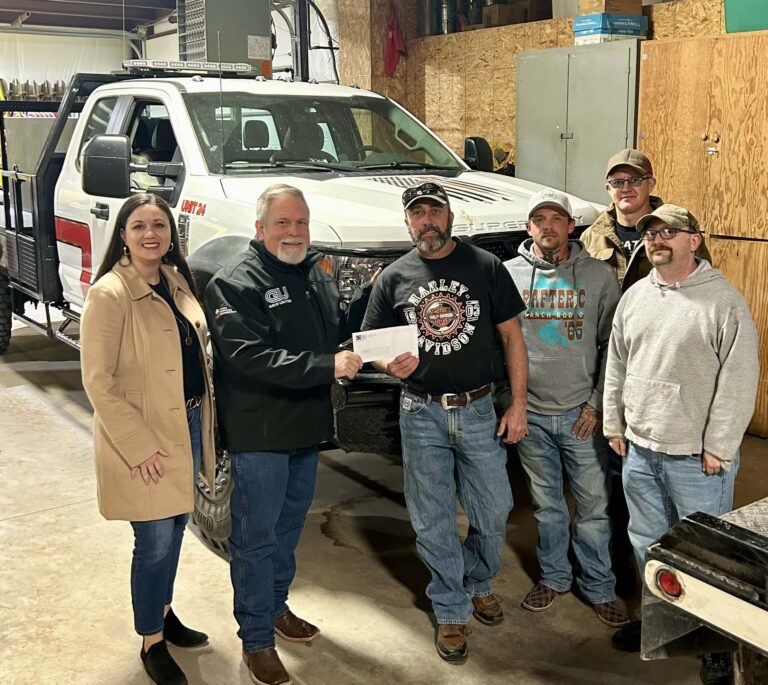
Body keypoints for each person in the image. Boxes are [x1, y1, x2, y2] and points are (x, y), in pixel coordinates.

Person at [204, 184, 368, 685]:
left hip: (304, 430)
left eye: (301, 222)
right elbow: (249, 358)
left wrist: (376, 338)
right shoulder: (235, 283)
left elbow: (335, 332)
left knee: (288, 530)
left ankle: (275, 606)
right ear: (260, 228)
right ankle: (256, 639)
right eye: (282, 223)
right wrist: (327, 365)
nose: (293, 231)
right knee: (255, 539)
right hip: (261, 433)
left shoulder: (312, 275)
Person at [362, 181, 528, 664]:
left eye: (435, 211)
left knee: (494, 508)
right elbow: (370, 346)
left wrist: (517, 404)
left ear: (450, 216)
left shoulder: (484, 267)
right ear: (407, 221)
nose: (427, 220)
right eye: (418, 213)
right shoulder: (393, 277)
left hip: (478, 409)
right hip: (420, 412)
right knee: (431, 516)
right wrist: (384, 365)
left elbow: (512, 337)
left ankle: (477, 579)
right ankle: (451, 607)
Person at [603, 204, 759, 684]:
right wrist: (615, 424)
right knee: (648, 545)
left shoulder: (723, 303)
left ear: (695, 239)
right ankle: (660, 624)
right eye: (651, 233)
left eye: (670, 232)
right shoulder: (635, 297)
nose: (657, 239)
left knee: (706, 557)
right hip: (641, 450)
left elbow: (739, 380)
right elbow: (617, 364)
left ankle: (714, 646)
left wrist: (720, 445)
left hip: (696, 458)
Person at [80, 193, 216, 685]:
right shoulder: (111, 293)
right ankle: (150, 641)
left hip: (186, 427)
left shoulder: (175, 279)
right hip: (145, 440)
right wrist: (138, 448)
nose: (150, 234)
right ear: (122, 235)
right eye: (139, 226)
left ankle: (163, 611)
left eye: (159, 225)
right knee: (154, 542)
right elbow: (98, 380)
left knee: (176, 530)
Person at [504, 189, 628, 627]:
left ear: (571, 226)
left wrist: (596, 405)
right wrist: (514, 406)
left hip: (581, 414)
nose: (548, 227)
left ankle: (599, 586)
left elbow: (614, 346)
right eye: (539, 219)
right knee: (548, 505)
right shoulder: (509, 275)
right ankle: (554, 577)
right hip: (531, 414)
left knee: (594, 508)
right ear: (528, 227)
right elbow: (502, 344)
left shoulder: (598, 276)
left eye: (556, 218)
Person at [581, 148, 710, 291]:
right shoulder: (591, 238)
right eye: (617, 182)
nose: (626, 188)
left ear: (651, 184)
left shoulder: (681, 230)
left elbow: (705, 284)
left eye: (634, 180)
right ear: (608, 188)